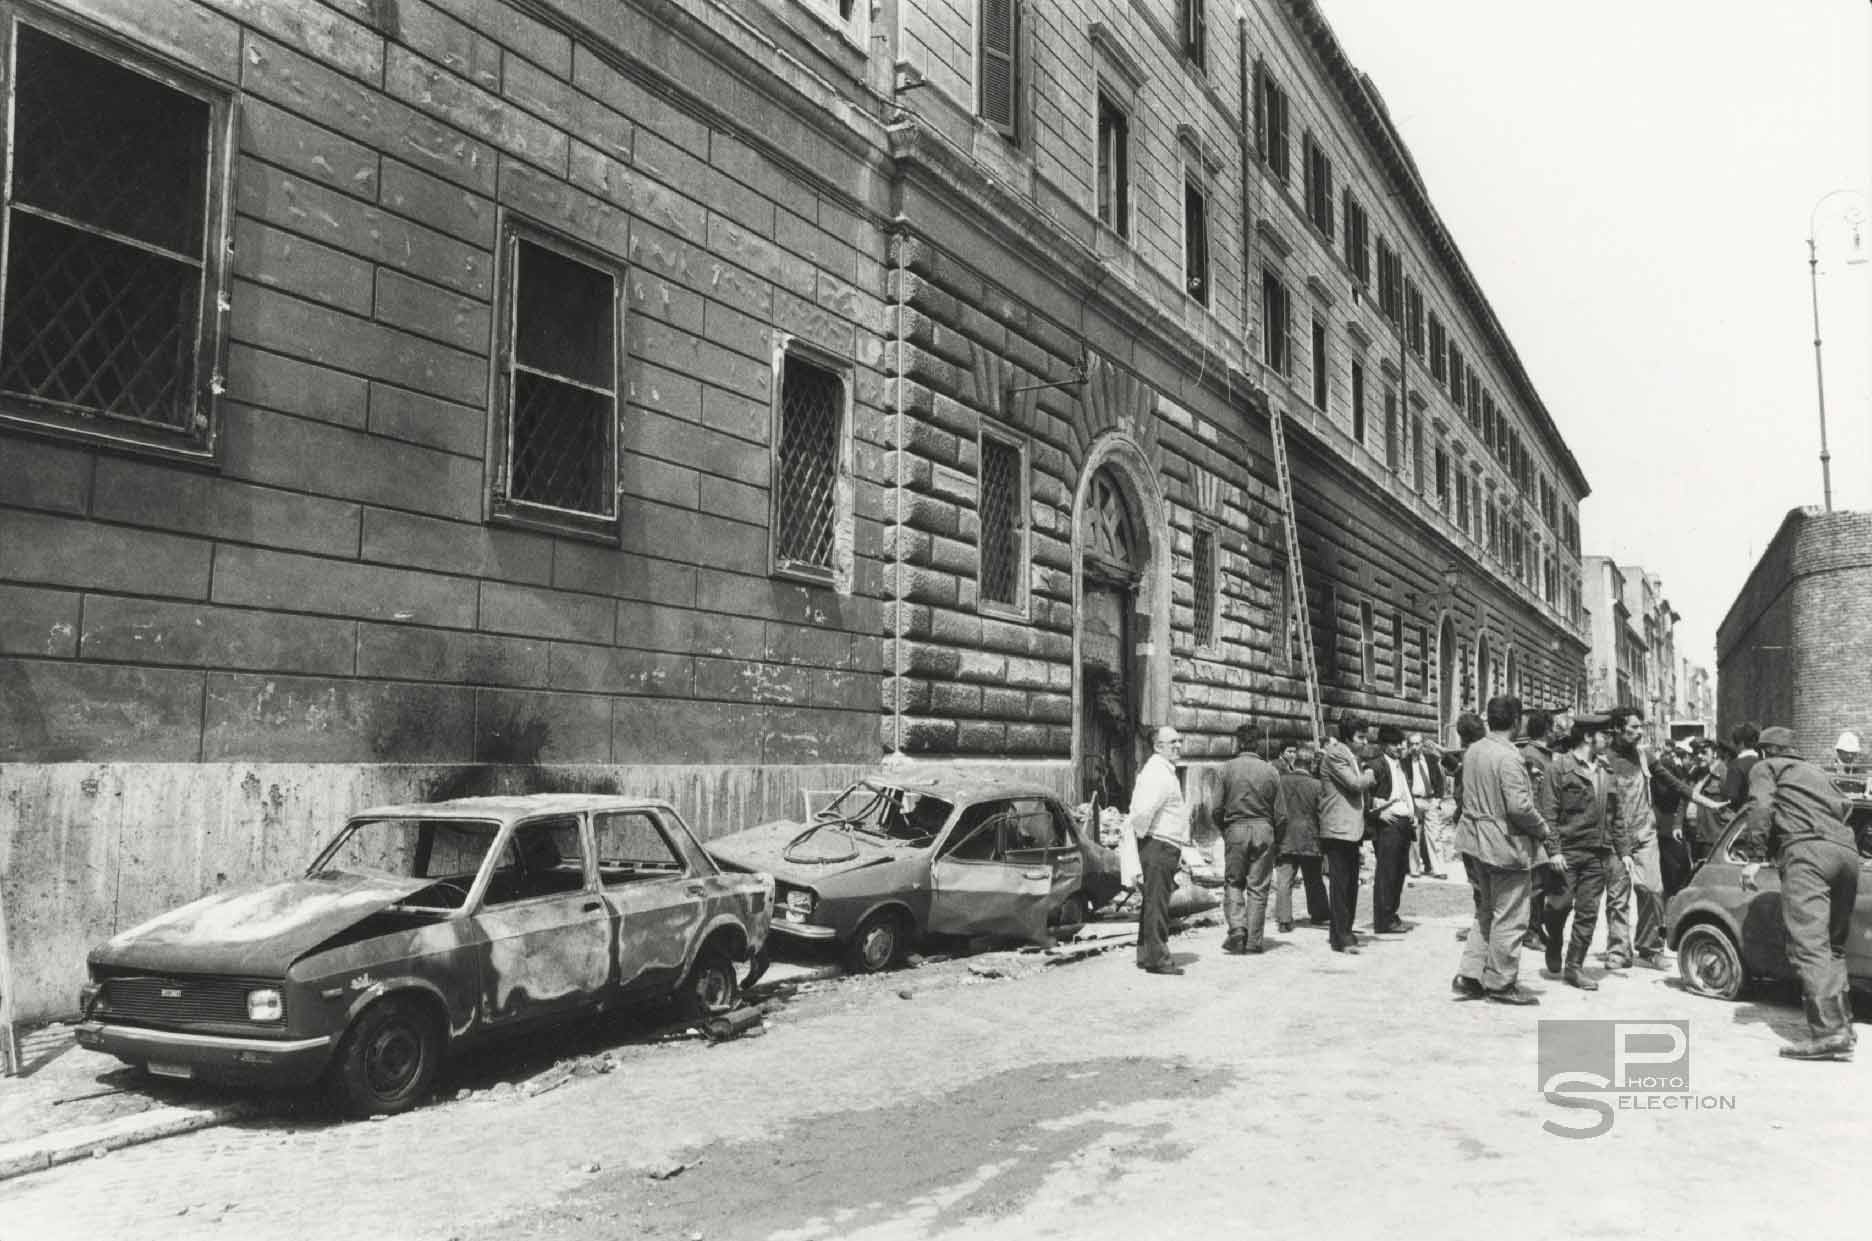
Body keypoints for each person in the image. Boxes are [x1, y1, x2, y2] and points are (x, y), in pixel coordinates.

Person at [1736, 726, 1859, 1061]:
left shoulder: (1766, 767)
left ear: (1765, 751)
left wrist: (1755, 857)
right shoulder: (1816, 772)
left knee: (1810, 944)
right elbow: (1846, 807)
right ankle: (1843, 1025)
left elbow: (1760, 807)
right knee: (1832, 945)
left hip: (1807, 852)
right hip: (1846, 853)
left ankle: (1829, 1034)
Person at [1451, 696, 1563, 1004]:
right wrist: (1543, 829)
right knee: (1511, 915)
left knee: (1486, 911)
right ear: (1516, 721)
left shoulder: (1474, 750)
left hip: (1475, 842)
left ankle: (1471, 975)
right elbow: (1519, 807)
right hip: (1504, 845)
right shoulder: (1509, 756)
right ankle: (1500, 983)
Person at [1537, 715, 1627, 990]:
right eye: (1604, 735)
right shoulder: (1559, 768)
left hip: (1598, 853)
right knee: (1559, 906)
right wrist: (1553, 851)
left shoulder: (1607, 770)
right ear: (1588, 737)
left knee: (1588, 913)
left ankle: (1574, 967)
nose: (1609, 740)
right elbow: (1548, 813)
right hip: (1567, 851)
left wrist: (1624, 851)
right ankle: (1553, 939)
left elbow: (1617, 815)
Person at [1214, 721, 1289, 955]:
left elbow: (1215, 808)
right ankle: (1254, 941)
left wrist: (1225, 830)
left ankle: (1237, 928)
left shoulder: (1226, 769)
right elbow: (1282, 814)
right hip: (1264, 831)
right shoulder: (1271, 771)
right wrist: (1277, 840)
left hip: (1235, 829)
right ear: (1258, 745)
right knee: (1258, 887)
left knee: (1234, 882)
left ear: (1238, 743)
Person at [1603, 707, 1666, 970]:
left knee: (1652, 890)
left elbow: (1672, 782)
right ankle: (1619, 951)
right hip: (1615, 836)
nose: (1640, 732)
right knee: (1618, 896)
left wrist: (1700, 799)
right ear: (1618, 728)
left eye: (1641, 726)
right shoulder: (1604, 759)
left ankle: (1650, 946)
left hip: (1644, 832)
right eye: (1634, 727)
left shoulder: (1644, 756)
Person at [1128, 726, 1191, 976]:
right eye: (1172, 742)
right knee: (1157, 903)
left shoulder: (1162, 770)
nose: (1178, 746)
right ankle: (1158, 960)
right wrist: (1146, 837)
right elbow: (1142, 812)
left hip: (1161, 843)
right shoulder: (1158, 773)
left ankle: (1146, 954)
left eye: (1179, 741)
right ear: (1158, 746)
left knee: (1152, 902)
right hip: (1158, 844)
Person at [1319, 713, 1376, 954]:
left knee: (1350, 883)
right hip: (1338, 829)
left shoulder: (1351, 756)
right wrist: (1370, 775)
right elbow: (1354, 784)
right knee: (1341, 885)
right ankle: (1343, 938)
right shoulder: (1336, 754)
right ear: (1348, 737)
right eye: (1361, 737)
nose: (1365, 742)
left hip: (1350, 829)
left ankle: (1342, 933)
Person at [1365, 724, 1417, 934]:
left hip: (1404, 824)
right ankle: (1383, 920)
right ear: (1384, 745)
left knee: (1399, 872)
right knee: (1387, 873)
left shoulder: (1400, 765)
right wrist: (1376, 814)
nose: (1399, 747)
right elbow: (1364, 794)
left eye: (1400, 743)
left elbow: (1406, 792)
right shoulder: (1375, 765)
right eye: (1394, 744)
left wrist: (1413, 814)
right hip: (1389, 825)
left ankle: (1392, 914)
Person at [1275, 740, 1330, 931]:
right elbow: (1322, 813)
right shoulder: (1317, 785)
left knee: (1284, 880)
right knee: (1313, 878)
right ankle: (1319, 914)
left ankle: (1284, 920)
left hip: (1285, 837)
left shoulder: (1280, 781)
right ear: (1311, 765)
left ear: (1295, 761)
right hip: (1310, 837)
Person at [1518, 711, 1560, 952]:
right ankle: (1530, 931)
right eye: (1554, 728)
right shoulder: (1531, 756)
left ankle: (1536, 927)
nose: (1557, 733)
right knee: (1536, 883)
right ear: (1547, 730)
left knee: (1543, 882)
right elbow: (1532, 796)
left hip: (1544, 825)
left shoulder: (1543, 754)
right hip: (1536, 828)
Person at [1404, 732, 1447, 878]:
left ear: (1422, 744)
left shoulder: (1431, 759)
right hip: (1414, 801)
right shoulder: (1405, 762)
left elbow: (1440, 780)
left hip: (1430, 800)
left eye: (1417, 744)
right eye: (1412, 744)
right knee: (1414, 836)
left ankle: (1438, 869)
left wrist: (1438, 799)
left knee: (1434, 835)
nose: (1414, 747)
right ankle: (1414, 869)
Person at [1721, 721, 1761, 812]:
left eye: (1733, 741)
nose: (1732, 744)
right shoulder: (1763, 762)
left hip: (1741, 814)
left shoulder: (1735, 765)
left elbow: (1731, 799)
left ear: (1741, 743)